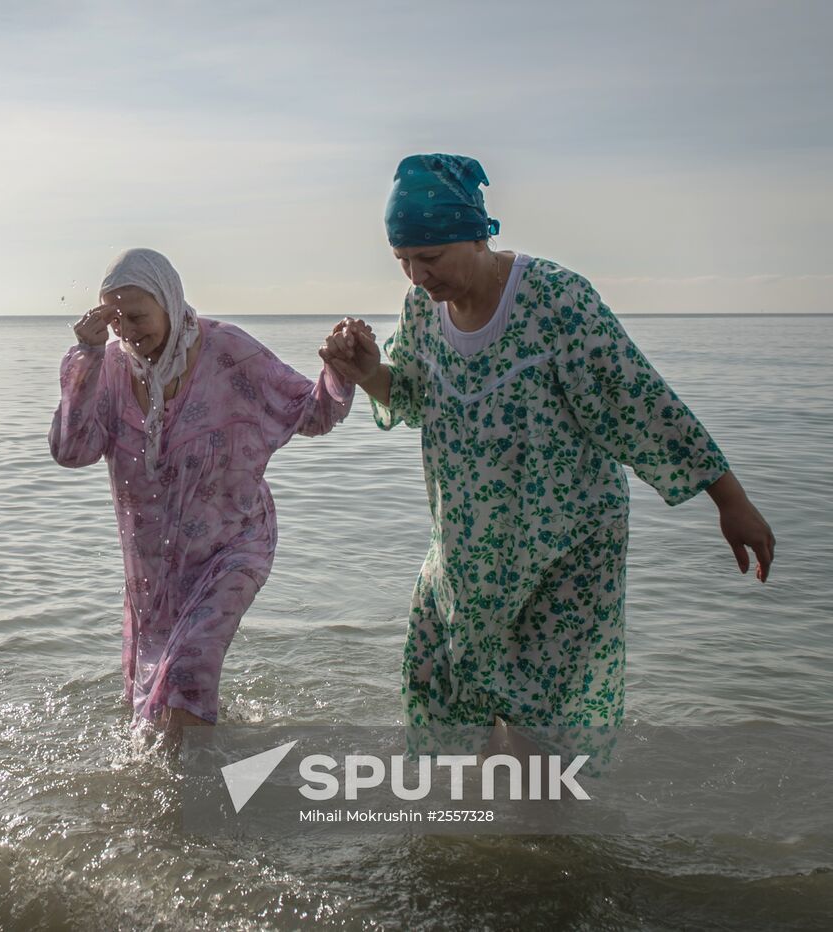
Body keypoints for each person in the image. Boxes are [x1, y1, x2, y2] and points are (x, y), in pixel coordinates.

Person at [319, 153, 775, 763]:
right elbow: (412, 397)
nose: (417, 275)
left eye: (430, 257)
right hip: (468, 549)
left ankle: (551, 847)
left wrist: (731, 500)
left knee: (547, 729)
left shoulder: (556, 301)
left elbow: (639, 401)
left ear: (478, 233)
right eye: (403, 260)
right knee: (450, 705)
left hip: (567, 549)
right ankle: (480, 846)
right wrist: (370, 371)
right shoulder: (422, 312)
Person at [50, 248, 354, 742]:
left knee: (188, 670)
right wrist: (84, 356)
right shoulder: (106, 369)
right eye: (115, 318)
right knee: (159, 708)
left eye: (137, 315)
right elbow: (71, 449)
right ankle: (182, 785)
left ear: (169, 302)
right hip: (154, 569)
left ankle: (194, 802)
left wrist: (342, 368)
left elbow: (311, 412)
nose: (127, 330)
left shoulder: (228, 351)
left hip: (235, 545)